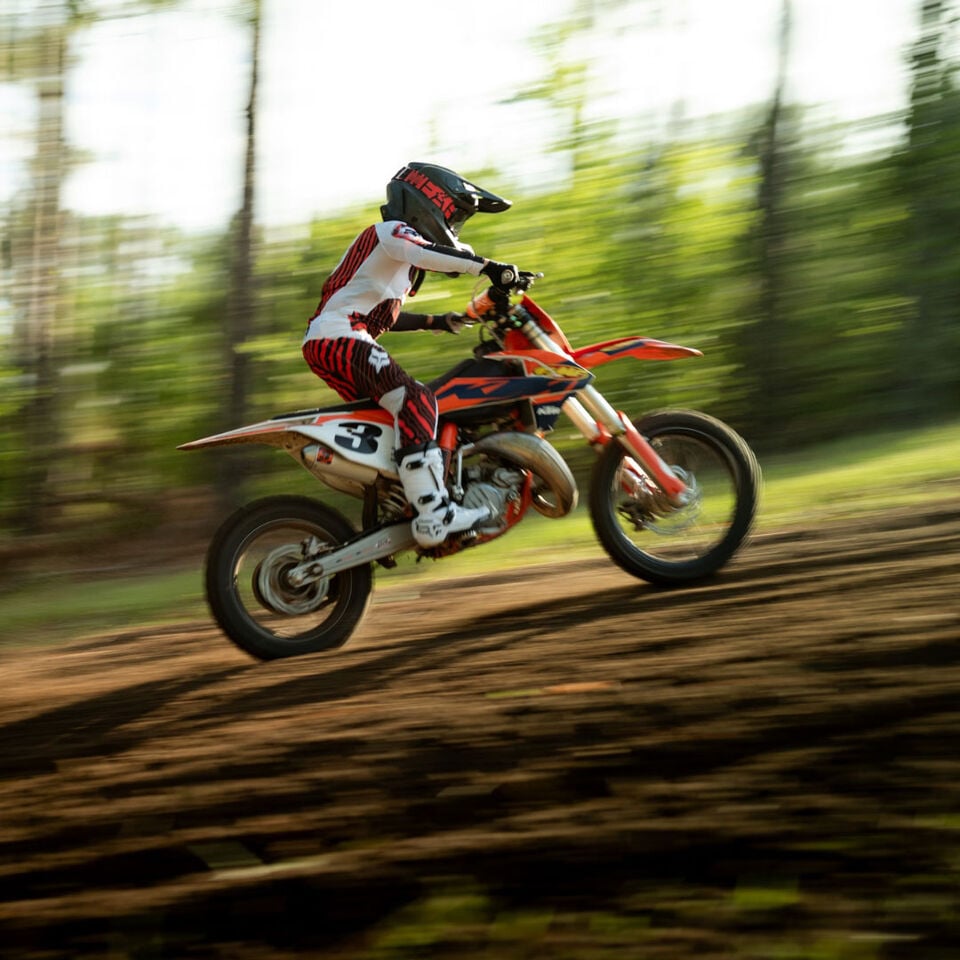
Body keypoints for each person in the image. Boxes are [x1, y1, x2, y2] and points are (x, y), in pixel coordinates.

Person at [302, 162, 524, 548]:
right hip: (340, 338)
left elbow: (383, 316)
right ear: (429, 201)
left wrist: (440, 321)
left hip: (335, 340)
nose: (455, 227)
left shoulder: (391, 263)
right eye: (455, 215)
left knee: (397, 419)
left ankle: (404, 500)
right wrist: (490, 268)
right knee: (418, 400)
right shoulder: (392, 233)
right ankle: (434, 513)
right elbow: (425, 252)